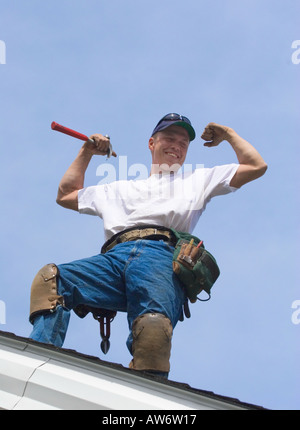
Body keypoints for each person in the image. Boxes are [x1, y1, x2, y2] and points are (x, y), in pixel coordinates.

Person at [29, 113, 267, 377]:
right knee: (51, 280)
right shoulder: (117, 189)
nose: (176, 145)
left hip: (160, 257)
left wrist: (229, 134)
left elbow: (256, 166)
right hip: (113, 258)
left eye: (183, 143)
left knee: (153, 331)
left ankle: (148, 401)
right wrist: (86, 151)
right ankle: (38, 366)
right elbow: (66, 195)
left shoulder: (198, 180)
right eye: (169, 138)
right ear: (152, 143)